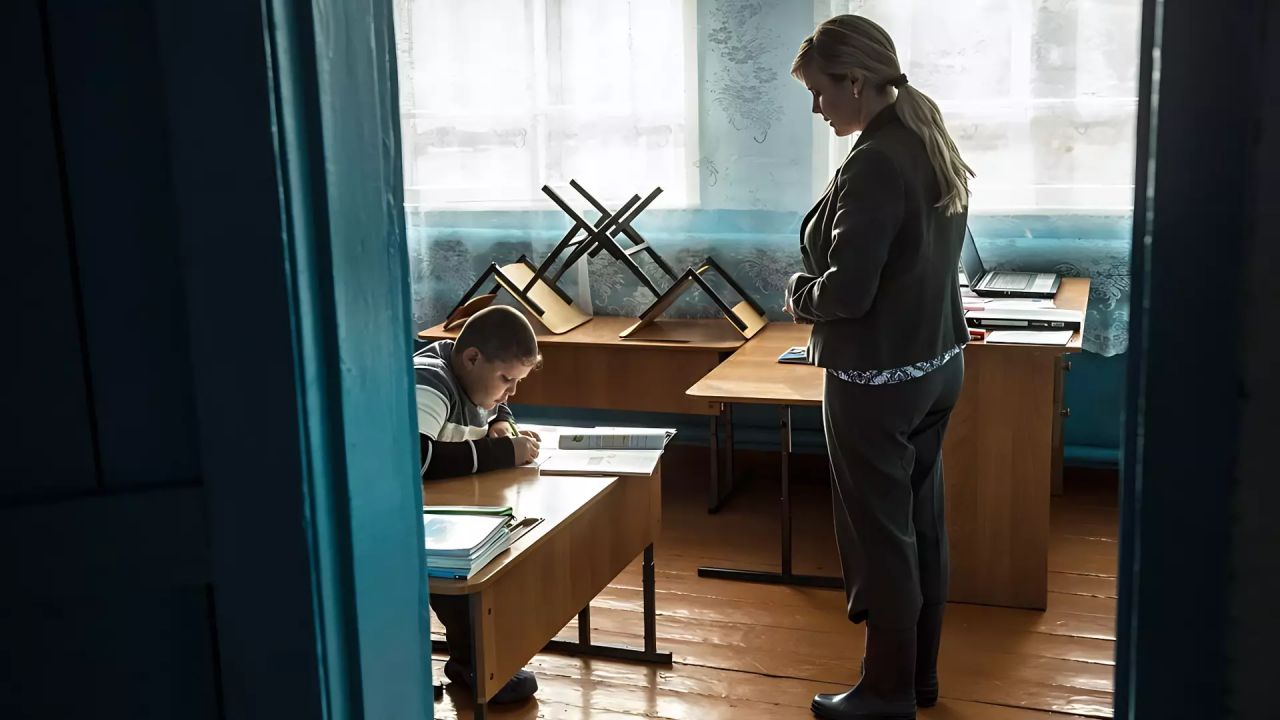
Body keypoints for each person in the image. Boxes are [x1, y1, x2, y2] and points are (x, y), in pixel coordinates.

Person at [785, 14, 975, 720]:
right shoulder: (928, 138)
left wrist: (798, 294)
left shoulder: (874, 160)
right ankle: (918, 678)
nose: (817, 107)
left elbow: (847, 292)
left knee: (880, 539)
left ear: (857, 82)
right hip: (936, 367)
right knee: (921, 525)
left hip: (876, 380)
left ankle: (886, 692)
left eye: (821, 91)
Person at [414, 305, 543, 704]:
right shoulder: (429, 380)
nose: (512, 391)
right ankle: (473, 663)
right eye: (507, 379)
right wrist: (503, 453)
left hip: (441, 508)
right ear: (472, 358)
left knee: (500, 549)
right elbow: (416, 456)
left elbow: (491, 401)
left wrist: (501, 419)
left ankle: (477, 658)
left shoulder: (473, 375)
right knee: (464, 568)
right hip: (407, 519)